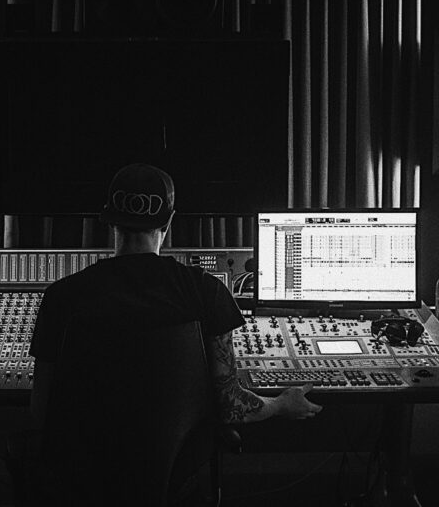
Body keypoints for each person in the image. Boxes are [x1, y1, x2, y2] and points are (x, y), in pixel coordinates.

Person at [29, 161, 322, 434]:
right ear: (168, 222)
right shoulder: (205, 291)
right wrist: (281, 404)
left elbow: (41, 412)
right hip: (174, 472)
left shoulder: (61, 297)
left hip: (77, 473)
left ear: (110, 221)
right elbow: (231, 407)